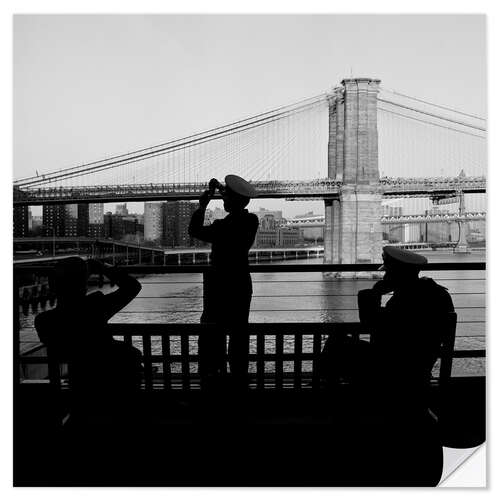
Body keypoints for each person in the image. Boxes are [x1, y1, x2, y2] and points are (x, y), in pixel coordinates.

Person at [321, 246, 455, 485]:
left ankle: (331, 407)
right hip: (418, 371)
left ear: (398, 272)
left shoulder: (404, 299)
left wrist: (373, 293)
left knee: (337, 343)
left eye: (388, 271)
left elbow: (377, 332)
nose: (384, 276)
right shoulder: (435, 294)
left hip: (394, 372)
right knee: (343, 345)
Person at [34, 257, 143, 418]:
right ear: (82, 285)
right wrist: (103, 268)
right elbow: (133, 286)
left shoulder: (44, 321)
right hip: (112, 380)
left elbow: (62, 351)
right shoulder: (96, 307)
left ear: (53, 286)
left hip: (80, 386)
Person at [189, 175, 259, 388]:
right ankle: (238, 382)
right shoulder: (251, 221)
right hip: (240, 284)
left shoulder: (222, 225)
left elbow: (194, 231)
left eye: (226, 198)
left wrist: (203, 205)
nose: (223, 201)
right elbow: (233, 208)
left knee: (212, 337)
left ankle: (213, 382)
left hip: (218, 286)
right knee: (239, 338)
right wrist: (222, 190)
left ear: (235, 200)